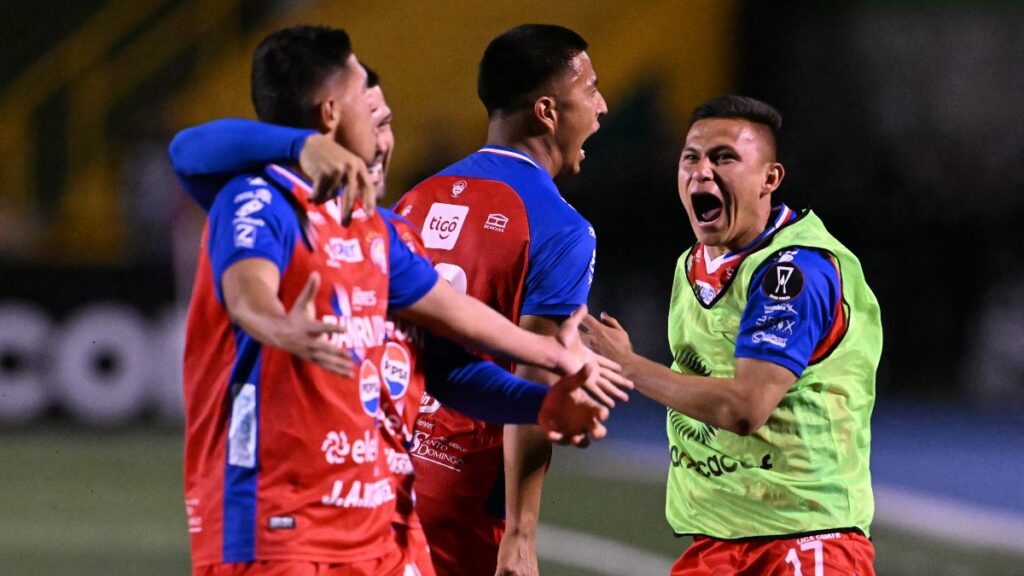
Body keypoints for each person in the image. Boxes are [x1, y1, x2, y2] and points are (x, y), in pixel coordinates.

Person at [178, 25, 625, 576]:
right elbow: (237, 263)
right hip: (282, 528)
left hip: (383, 526)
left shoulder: (385, 233)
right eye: (376, 114)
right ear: (330, 117)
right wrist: (272, 321)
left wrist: (546, 388)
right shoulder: (260, 200)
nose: (388, 137)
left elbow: (449, 356)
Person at [580, 95, 882, 575]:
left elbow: (746, 407)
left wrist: (630, 367)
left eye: (724, 158)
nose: (702, 172)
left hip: (802, 537)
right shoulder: (691, 265)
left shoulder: (795, 270)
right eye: (691, 158)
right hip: (719, 540)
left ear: (770, 179)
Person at [388, 24, 609, 576]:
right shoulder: (560, 227)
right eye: (590, 90)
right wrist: (520, 533)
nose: (602, 107)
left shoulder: (415, 199)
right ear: (547, 112)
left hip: (386, 475)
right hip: (465, 495)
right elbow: (535, 374)